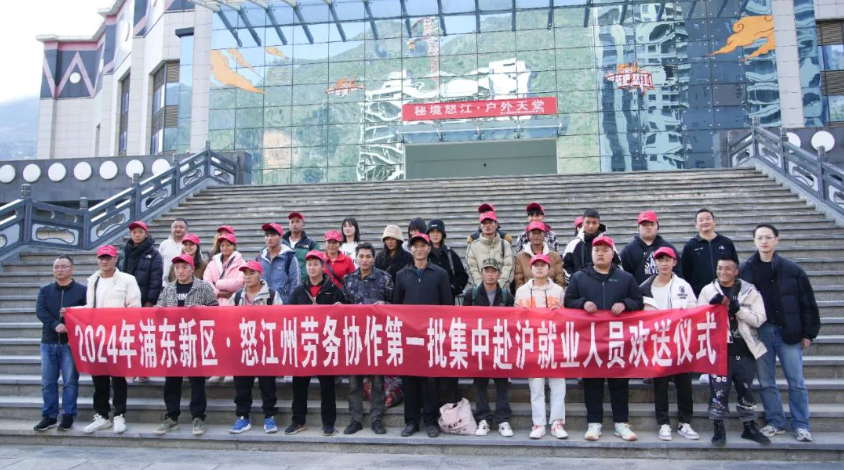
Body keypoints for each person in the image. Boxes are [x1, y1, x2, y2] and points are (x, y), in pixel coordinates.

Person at [739, 224, 820, 442]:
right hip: (760, 332)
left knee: (796, 381)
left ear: (777, 240)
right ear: (754, 241)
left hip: (788, 331)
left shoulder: (792, 269)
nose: (764, 241)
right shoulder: (746, 269)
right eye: (759, 238)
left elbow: (807, 302)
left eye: (768, 237)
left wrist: (809, 333)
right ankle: (775, 421)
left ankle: (801, 424)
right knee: (766, 381)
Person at [564, 235, 643, 442]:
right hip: (590, 340)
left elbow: (638, 301)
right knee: (592, 382)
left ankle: (621, 423)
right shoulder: (579, 277)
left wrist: (625, 304)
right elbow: (568, 301)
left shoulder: (625, 278)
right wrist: (582, 303)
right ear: (591, 253)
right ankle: (594, 423)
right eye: (597, 250)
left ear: (612, 253)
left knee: (620, 382)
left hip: (618, 340)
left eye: (605, 250)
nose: (600, 253)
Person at [698, 254, 770, 446]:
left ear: (736, 271)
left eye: (728, 268)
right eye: (720, 268)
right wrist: (710, 309)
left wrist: (738, 310)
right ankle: (718, 428)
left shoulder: (750, 291)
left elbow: (759, 319)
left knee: (746, 390)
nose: (723, 272)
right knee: (718, 391)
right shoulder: (707, 290)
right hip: (718, 350)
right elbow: (698, 319)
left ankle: (749, 427)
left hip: (745, 348)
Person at [393, 232, 453, 438]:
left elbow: (447, 305)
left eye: (422, 246)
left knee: (430, 380)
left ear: (428, 248)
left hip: (432, 336)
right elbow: (396, 306)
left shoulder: (440, 274)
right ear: (410, 249)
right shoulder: (402, 275)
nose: (419, 249)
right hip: (409, 335)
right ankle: (411, 421)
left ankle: (430, 420)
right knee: (409, 379)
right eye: (415, 246)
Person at [153, 254, 218, 436]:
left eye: (184, 267)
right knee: (172, 381)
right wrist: (158, 310)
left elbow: (215, 310)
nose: (180, 271)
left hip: (195, 340)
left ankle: (198, 416)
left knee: (197, 381)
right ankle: (171, 417)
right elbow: (159, 307)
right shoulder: (168, 289)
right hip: (173, 340)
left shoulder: (203, 287)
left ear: (192, 269)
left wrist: (203, 310)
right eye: (177, 268)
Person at [639, 247, 700, 441]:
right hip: (658, 343)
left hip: (681, 342)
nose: (664, 263)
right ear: (655, 263)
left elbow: (694, 310)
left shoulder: (683, 286)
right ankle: (663, 423)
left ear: (674, 262)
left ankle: (685, 423)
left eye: (668, 260)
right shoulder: (644, 287)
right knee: (660, 385)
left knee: (684, 384)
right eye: (660, 260)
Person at [82, 245, 142, 435]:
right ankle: (101, 415)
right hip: (97, 336)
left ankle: (119, 414)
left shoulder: (127, 280)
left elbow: (134, 307)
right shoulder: (93, 280)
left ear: (116, 259)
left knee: (118, 377)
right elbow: (90, 307)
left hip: (119, 335)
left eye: (108, 258)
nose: (104, 261)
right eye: (101, 258)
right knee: (98, 376)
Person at [286, 250, 346, 436]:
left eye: (315, 264)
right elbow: (288, 316)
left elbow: (343, 317)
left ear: (323, 267)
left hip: (325, 345)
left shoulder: (334, 289)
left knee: (327, 387)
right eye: (309, 264)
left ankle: (328, 423)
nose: (312, 268)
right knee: (299, 386)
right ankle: (298, 421)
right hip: (303, 345)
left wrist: (341, 309)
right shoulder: (298, 291)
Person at [342, 242, 393, 435]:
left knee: (378, 382)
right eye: (361, 256)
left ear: (373, 258)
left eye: (368, 256)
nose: (364, 260)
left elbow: (396, 305)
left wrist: (385, 304)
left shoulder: (385, 278)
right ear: (356, 258)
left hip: (377, 337)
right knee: (354, 382)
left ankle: (376, 419)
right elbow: (344, 306)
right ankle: (356, 419)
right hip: (355, 337)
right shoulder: (348, 280)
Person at [515, 253, 567, 440]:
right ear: (530, 268)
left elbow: (567, 316)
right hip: (533, 344)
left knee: (558, 384)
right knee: (536, 385)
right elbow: (515, 317)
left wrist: (560, 312)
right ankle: (538, 423)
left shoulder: (558, 291)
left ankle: (557, 422)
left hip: (554, 343)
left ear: (549, 269)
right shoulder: (522, 291)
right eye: (536, 265)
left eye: (543, 265)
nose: (539, 268)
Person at [229, 260, 283, 435]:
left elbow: (280, 319)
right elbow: (227, 319)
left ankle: (269, 416)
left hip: (266, 347)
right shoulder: (237, 296)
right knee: (242, 385)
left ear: (261, 275)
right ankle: (243, 417)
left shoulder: (271, 295)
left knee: (268, 385)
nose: (248, 277)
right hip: (243, 347)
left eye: (252, 273)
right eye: (245, 273)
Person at [33, 255, 87, 432]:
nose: (59, 270)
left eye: (63, 266)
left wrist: (71, 317)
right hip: (48, 341)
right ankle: (49, 416)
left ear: (72, 268)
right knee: (48, 382)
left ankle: (68, 415)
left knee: (70, 381)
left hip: (70, 343)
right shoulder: (45, 290)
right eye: (56, 267)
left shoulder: (82, 291)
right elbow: (40, 311)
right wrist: (54, 324)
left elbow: (87, 312)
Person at [463, 258, 514, 438]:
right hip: (479, 345)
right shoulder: (472, 295)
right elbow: (464, 320)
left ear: (499, 274)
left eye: (494, 271)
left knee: (502, 384)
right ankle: (483, 419)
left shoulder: (507, 296)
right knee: (480, 384)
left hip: (500, 345)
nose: (490, 275)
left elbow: (512, 322)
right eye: (487, 271)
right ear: (482, 273)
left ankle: (503, 419)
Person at [681, 209, 739, 297]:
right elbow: (685, 272)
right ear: (696, 224)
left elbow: (735, 265)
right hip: (700, 294)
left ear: (714, 221)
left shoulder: (726, 242)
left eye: (708, 219)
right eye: (701, 220)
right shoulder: (690, 246)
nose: (705, 222)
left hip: (726, 293)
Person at [620, 211, 681, 285]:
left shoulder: (668, 248)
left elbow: (678, 273)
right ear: (638, 227)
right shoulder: (628, 251)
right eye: (644, 225)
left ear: (658, 227)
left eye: (652, 224)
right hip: (639, 291)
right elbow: (624, 278)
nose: (649, 227)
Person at [562, 209, 619, 284]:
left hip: (604, 285)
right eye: (588, 222)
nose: (591, 226)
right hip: (580, 286)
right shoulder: (573, 244)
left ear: (599, 224)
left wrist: (610, 281)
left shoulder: (608, 243)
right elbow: (565, 266)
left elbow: (617, 263)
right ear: (583, 223)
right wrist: (574, 280)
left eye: (594, 223)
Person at [466, 211, 514, 290]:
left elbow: (509, 267)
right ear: (480, 226)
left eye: (490, 222)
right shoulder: (473, 246)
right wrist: (482, 288)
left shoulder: (505, 245)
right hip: (480, 292)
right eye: (484, 223)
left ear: (496, 225)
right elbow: (472, 269)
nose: (487, 225)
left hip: (502, 291)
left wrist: (498, 288)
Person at [121, 221, 163, 307]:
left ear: (146, 234)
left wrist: (150, 301)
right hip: (123, 299)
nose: (137, 235)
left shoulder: (154, 254)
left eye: (140, 232)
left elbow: (156, 280)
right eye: (134, 232)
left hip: (143, 300)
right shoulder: (124, 253)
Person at [256, 222, 299, 304]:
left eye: (273, 235)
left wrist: (290, 303)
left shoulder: (290, 257)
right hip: (262, 304)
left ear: (280, 237)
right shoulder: (260, 257)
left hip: (282, 304)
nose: (269, 238)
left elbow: (295, 283)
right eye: (267, 235)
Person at [427, 219, 469, 301]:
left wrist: (452, 288)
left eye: (438, 231)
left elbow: (462, 276)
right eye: (432, 232)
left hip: (447, 300)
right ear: (428, 234)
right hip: (428, 299)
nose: (435, 234)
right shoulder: (424, 254)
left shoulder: (450, 254)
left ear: (442, 234)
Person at [514, 221, 565, 289]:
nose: (536, 236)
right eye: (533, 233)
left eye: (539, 233)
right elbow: (519, 280)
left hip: (550, 293)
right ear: (528, 235)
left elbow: (560, 279)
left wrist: (555, 293)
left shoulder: (555, 256)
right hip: (528, 294)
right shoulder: (520, 257)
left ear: (544, 235)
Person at [203, 232, 245, 307]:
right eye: (222, 245)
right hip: (214, 304)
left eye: (228, 245)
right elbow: (206, 281)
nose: (225, 248)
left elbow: (240, 282)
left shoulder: (242, 263)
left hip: (233, 304)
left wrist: (218, 284)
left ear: (234, 246)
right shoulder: (212, 263)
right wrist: (217, 293)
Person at [282, 211, 319, 281]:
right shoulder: (281, 243)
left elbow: (316, 265)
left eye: (297, 222)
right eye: (292, 222)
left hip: (303, 282)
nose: (294, 224)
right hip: (283, 282)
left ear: (303, 224)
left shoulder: (312, 244)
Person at [159, 218, 187, 282]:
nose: (178, 229)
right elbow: (159, 264)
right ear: (171, 229)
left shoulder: (190, 245)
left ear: (186, 229)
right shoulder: (164, 244)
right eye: (175, 227)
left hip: (186, 283)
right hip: (166, 284)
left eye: (181, 227)